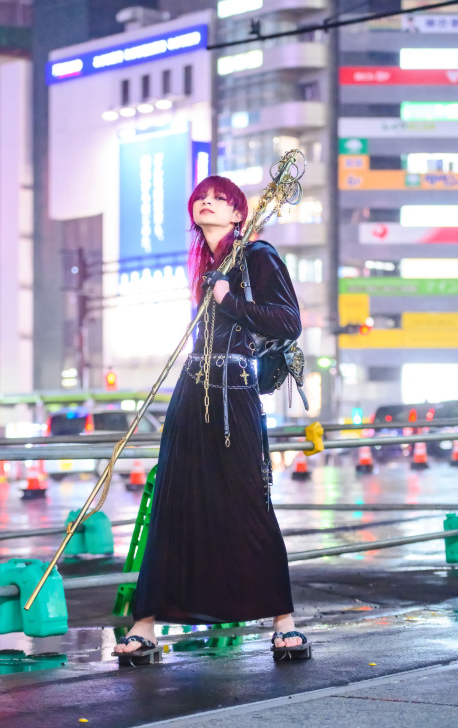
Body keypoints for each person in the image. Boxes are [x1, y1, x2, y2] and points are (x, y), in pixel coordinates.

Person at [114, 175, 311, 663]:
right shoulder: (205, 261)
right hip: (191, 389)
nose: (207, 203)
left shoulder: (256, 254)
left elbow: (288, 321)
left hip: (236, 393)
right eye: (201, 198)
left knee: (249, 501)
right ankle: (145, 625)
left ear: (240, 214)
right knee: (174, 504)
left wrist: (229, 300)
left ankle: (284, 623)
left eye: (220, 199)